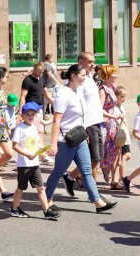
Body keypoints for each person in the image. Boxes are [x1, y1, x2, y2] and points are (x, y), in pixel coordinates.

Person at [46, 64, 118, 213]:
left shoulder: (77, 92)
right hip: (66, 141)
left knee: (86, 170)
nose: (85, 78)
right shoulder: (62, 94)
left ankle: (97, 202)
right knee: (58, 171)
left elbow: (81, 117)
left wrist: (84, 133)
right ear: (73, 76)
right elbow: (56, 121)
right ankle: (47, 199)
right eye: (83, 75)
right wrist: (53, 144)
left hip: (79, 138)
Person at [61, 52, 105, 197]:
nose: (93, 64)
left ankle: (70, 177)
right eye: (90, 61)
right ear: (81, 61)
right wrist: (83, 129)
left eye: (93, 61)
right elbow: (77, 105)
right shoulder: (79, 82)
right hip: (88, 124)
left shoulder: (90, 78)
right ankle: (94, 193)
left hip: (96, 122)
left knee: (96, 159)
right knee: (93, 159)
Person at [9, 101, 60, 219]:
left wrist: (44, 152)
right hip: (24, 164)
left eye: (33, 114)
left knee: (41, 187)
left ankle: (46, 211)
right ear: (22, 116)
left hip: (34, 163)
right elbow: (14, 145)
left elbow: (36, 143)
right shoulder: (19, 129)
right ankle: (14, 209)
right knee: (21, 187)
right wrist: (26, 154)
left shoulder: (33, 127)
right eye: (28, 114)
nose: (31, 117)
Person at [98, 65, 123, 185]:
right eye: (114, 73)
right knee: (102, 151)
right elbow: (100, 109)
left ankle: (114, 179)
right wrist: (114, 117)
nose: (116, 76)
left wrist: (117, 118)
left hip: (113, 124)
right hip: (105, 125)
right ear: (107, 75)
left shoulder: (112, 88)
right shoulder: (102, 89)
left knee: (114, 151)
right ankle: (78, 175)